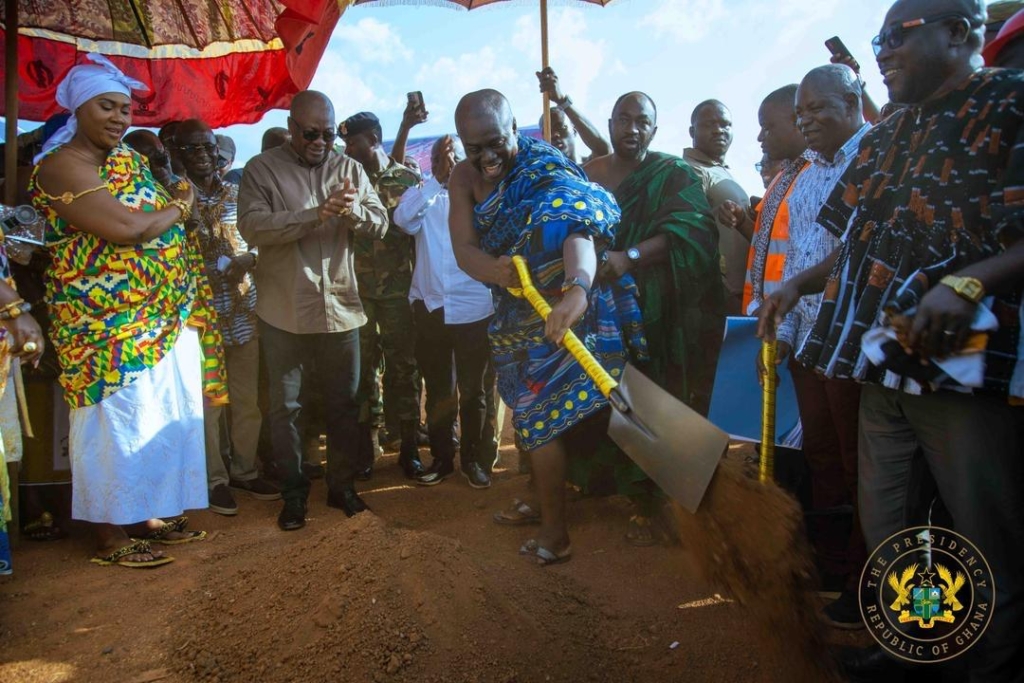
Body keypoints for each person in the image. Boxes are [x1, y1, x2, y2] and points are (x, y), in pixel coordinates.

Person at [759, 1, 1024, 677]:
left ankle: (996, 667)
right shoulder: (888, 134)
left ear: (958, 32)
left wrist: (968, 283)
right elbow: (856, 244)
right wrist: (797, 285)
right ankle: (913, 650)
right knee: (890, 525)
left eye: (893, 38)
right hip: (879, 357)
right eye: (876, 41)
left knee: (983, 531)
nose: (880, 53)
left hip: (964, 364)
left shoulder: (1009, 104)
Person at [29, 54, 221, 567]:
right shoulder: (61, 166)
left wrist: (172, 212)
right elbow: (128, 229)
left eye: (124, 108)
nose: (118, 117)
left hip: (159, 319)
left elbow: (151, 219)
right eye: (106, 107)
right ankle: (108, 534)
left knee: (156, 416)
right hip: (105, 326)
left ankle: (146, 515)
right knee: (112, 425)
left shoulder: (127, 161)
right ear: (78, 109)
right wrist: (181, 205)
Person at [449, 89, 647, 565]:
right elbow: (464, 249)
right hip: (513, 311)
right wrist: (496, 271)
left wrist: (577, 290)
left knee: (537, 418)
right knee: (526, 414)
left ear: (515, 128)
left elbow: (578, 229)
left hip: (565, 309)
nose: (486, 157)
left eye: (495, 142)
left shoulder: (545, 167)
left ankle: (556, 534)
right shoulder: (462, 177)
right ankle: (540, 498)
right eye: (474, 148)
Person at [238, 91, 388, 530]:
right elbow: (252, 226)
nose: (321, 142)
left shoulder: (349, 169)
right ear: (292, 127)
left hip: (341, 308)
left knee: (344, 405)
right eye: (310, 134)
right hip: (284, 311)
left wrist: (353, 212)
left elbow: (380, 224)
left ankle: (342, 487)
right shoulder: (261, 169)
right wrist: (314, 215)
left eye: (328, 134)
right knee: (286, 409)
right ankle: (294, 495)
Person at [585, 92, 723, 543]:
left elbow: (693, 230)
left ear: (655, 130)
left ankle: (664, 503)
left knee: (659, 393)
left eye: (641, 121)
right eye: (623, 119)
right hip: (602, 310)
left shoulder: (674, 174)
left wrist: (631, 256)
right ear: (610, 124)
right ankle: (620, 488)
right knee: (610, 393)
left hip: (661, 310)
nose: (632, 128)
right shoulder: (589, 175)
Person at [768, 65, 872, 629]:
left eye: (818, 108)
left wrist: (795, 291)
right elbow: (795, 260)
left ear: (853, 103)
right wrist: (785, 332)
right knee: (823, 459)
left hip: (852, 343)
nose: (806, 120)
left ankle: (866, 584)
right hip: (809, 341)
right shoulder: (806, 177)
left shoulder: (874, 158)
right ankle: (836, 568)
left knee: (864, 468)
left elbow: (856, 251)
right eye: (801, 112)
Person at [176, 119, 280, 514]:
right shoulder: (172, 198)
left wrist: (250, 259)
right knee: (210, 405)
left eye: (208, 146)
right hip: (199, 319)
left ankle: (245, 470)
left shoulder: (240, 194)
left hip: (243, 311)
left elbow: (263, 241)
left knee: (247, 401)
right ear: (177, 153)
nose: (203, 154)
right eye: (192, 148)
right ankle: (215, 480)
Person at [393, 135, 496, 489]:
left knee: (474, 390)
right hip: (431, 307)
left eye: (454, 158)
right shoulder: (423, 193)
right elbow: (403, 220)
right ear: (433, 162)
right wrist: (437, 181)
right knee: (438, 391)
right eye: (440, 157)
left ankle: (473, 460)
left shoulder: (484, 195)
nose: (448, 164)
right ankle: (442, 458)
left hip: (474, 307)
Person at [339, 111, 423, 480]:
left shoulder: (407, 179)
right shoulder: (346, 181)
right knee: (362, 372)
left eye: (352, 142)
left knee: (404, 369)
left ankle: (408, 447)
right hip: (357, 293)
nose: (346, 149)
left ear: (373, 139)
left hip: (399, 293)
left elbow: (419, 237)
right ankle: (366, 450)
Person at [718, 85, 808, 315]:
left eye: (767, 128)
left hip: (792, 315)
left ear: (797, 121)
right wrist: (742, 222)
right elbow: (769, 245)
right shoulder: (782, 178)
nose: (760, 137)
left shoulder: (818, 176)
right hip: (764, 313)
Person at [683, 100, 750, 315]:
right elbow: (688, 236)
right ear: (692, 131)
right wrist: (723, 292)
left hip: (743, 294)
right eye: (709, 124)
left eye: (725, 124)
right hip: (718, 297)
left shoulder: (719, 171)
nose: (719, 130)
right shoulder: (690, 170)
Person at [535, 67, 611, 161]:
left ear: (574, 130)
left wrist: (562, 101)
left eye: (561, 127)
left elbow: (604, 149)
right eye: (547, 131)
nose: (554, 135)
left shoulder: (593, 166)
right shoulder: (540, 169)